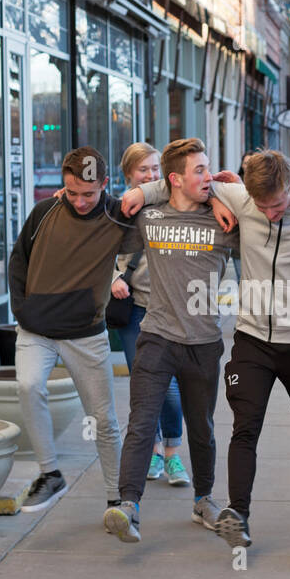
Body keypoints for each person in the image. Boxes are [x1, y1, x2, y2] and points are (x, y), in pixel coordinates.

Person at [123, 150, 290, 550]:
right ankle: (239, 514)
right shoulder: (240, 199)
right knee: (244, 428)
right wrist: (145, 190)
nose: (269, 213)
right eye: (262, 206)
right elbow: (184, 181)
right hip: (252, 342)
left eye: (279, 203)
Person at [103, 138, 240, 544]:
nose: (208, 175)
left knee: (202, 427)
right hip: (157, 336)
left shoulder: (224, 221)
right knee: (141, 421)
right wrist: (147, 189)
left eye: (209, 167)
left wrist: (221, 190)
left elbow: (267, 203)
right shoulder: (150, 217)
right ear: (175, 179)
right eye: (199, 170)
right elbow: (102, 213)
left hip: (204, 342)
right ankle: (129, 506)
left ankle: (204, 499)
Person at [8, 146, 137, 514]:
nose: (79, 202)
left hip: (86, 333)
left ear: (105, 185)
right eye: (72, 192)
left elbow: (159, 207)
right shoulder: (44, 212)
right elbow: (19, 260)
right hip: (37, 329)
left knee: (104, 420)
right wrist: (23, 308)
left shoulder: (118, 216)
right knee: (28, 386)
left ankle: (116, 498)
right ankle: (50, 474)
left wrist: (142, 192)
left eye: (89, 194)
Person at [110, 143, 190, 488]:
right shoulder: (119, 209)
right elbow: (99, 251)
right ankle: (156, 450)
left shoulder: (174, 202)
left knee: (171, 387)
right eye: (143, 170)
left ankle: (173, 452)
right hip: (134, 308)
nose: (151, 175)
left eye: (156, 169)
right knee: (143, 384)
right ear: (129, 173)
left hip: (169, 308)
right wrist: (112, 277)